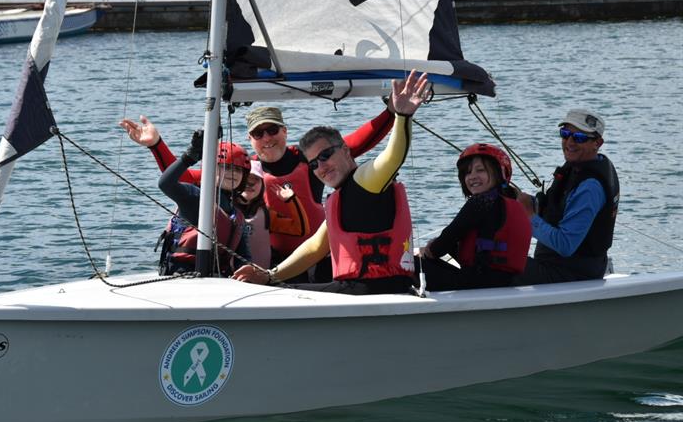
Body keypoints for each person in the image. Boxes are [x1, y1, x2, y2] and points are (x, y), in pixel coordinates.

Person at [121, 102, 395, 280]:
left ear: (285, 131)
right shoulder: (242, 170)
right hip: (271, 265)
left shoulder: (309, 158)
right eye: (258, 134)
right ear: (250, 139)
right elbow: (184, 178)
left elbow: (357, 143)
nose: (267, 138)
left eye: (272, 129)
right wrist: (156, 144)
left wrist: (393, 113)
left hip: (317, 259)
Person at [232, 70, 428, 295]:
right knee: (277, 287)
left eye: (325, 157)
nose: (321, 167)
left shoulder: (365, 181)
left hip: (376, 291)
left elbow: (392, 158)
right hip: (358, 289)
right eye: (314, 164)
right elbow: (316, 247)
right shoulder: (341, 196)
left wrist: (402, 117)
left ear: (345, 151)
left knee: (275, 294)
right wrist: (269, 275)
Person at [512, 109, 620, 285]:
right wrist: (523, 202)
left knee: (493, 264)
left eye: (579, 137)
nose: (569, 142)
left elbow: (565, 245)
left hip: (571, 274)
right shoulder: (578, 166)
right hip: (560, 266)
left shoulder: (590, 188)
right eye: (565, 134)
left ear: (597, 143)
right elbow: (556, 209)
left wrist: (529, 216)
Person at [418, 143, 532, 290]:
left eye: (481, 170)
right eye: (467, 172)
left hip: (476, 283)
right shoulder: (513, 203)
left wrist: (429, 251)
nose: (472, 177)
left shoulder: (481, 202)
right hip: (504, 283)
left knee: (411, 266)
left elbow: (443, 243)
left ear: (500, 173)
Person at [156, 130, 252, 277]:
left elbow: (243, 256)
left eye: (238, 170)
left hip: (216, 279)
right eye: (225, 167)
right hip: (181, 276)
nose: (232, 173)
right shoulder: (195, 196)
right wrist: (189, 156)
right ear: (211, 169)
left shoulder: (236, 214)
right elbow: (165, 184)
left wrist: (247, 271)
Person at [234, 160, 310, 269]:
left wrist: (291, 200)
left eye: (255, 180)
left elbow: (301, 229)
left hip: (260, 277)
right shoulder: (224, 208)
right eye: (245, 179)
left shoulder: (267, 215)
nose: (249, 184)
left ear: (262, 186)